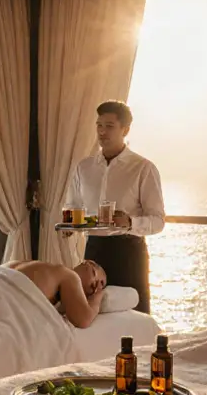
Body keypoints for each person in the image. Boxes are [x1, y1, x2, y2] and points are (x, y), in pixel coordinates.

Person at [64, 100, 165, 314]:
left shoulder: (143, 168)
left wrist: (130, 222)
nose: (102, 131)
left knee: (134, 315)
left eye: (109, 126)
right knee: (92, 315)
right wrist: (69, 225)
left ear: (125, 130)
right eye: (99, 125)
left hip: (128, 251)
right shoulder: (84, 168)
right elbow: (72, 206)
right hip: (93, 251)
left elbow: (158, 221)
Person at [5, 260, 106, 328]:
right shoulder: (69, 275)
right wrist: (99, 296)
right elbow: (83, 319)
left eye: (101, 286)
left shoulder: (42, 266)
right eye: (95, 276)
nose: (96, 288)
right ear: (88, 263)